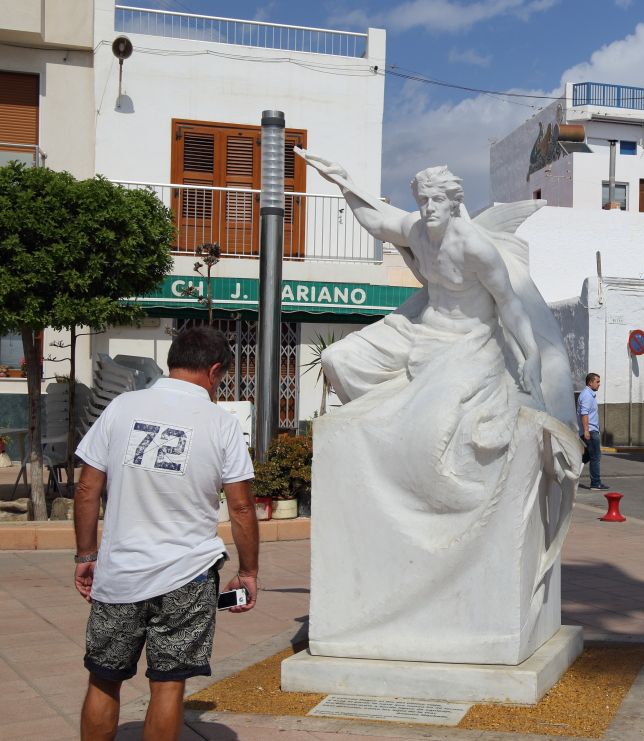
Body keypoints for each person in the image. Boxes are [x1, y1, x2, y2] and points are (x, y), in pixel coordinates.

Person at [293, 151, 582, 660]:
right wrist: (344, 183)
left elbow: (510, 305)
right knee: (340, 360)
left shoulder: (475, 247)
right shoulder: (418, 230)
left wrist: (531, 358)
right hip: (420, 328)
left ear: (454, 203)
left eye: (436, 201)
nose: (427, 208)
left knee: (431, 421)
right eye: (421, 200)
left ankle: (432, 480)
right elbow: (378, 220)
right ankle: (376, 438)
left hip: (469, 340)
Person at [73, 326, 258, 740]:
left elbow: (87, 488)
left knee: (104, 678)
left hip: (120, 572)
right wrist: (248, 572)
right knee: (169, 683)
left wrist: (86, 556)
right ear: (214, 371)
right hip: (188, 576)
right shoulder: (221, 424)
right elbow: (242, 507)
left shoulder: (121, 407)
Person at [579, 373, 607, 490]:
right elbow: (584, 414)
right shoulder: (587, 395)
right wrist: (586, 431)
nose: (599, 384)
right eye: (597, 382)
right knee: (595, 456)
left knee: (585, 457)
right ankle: (595, 483)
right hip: (590, 431)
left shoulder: (590, 395)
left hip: (592, 430)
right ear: (590, 382)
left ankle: (568, 473)